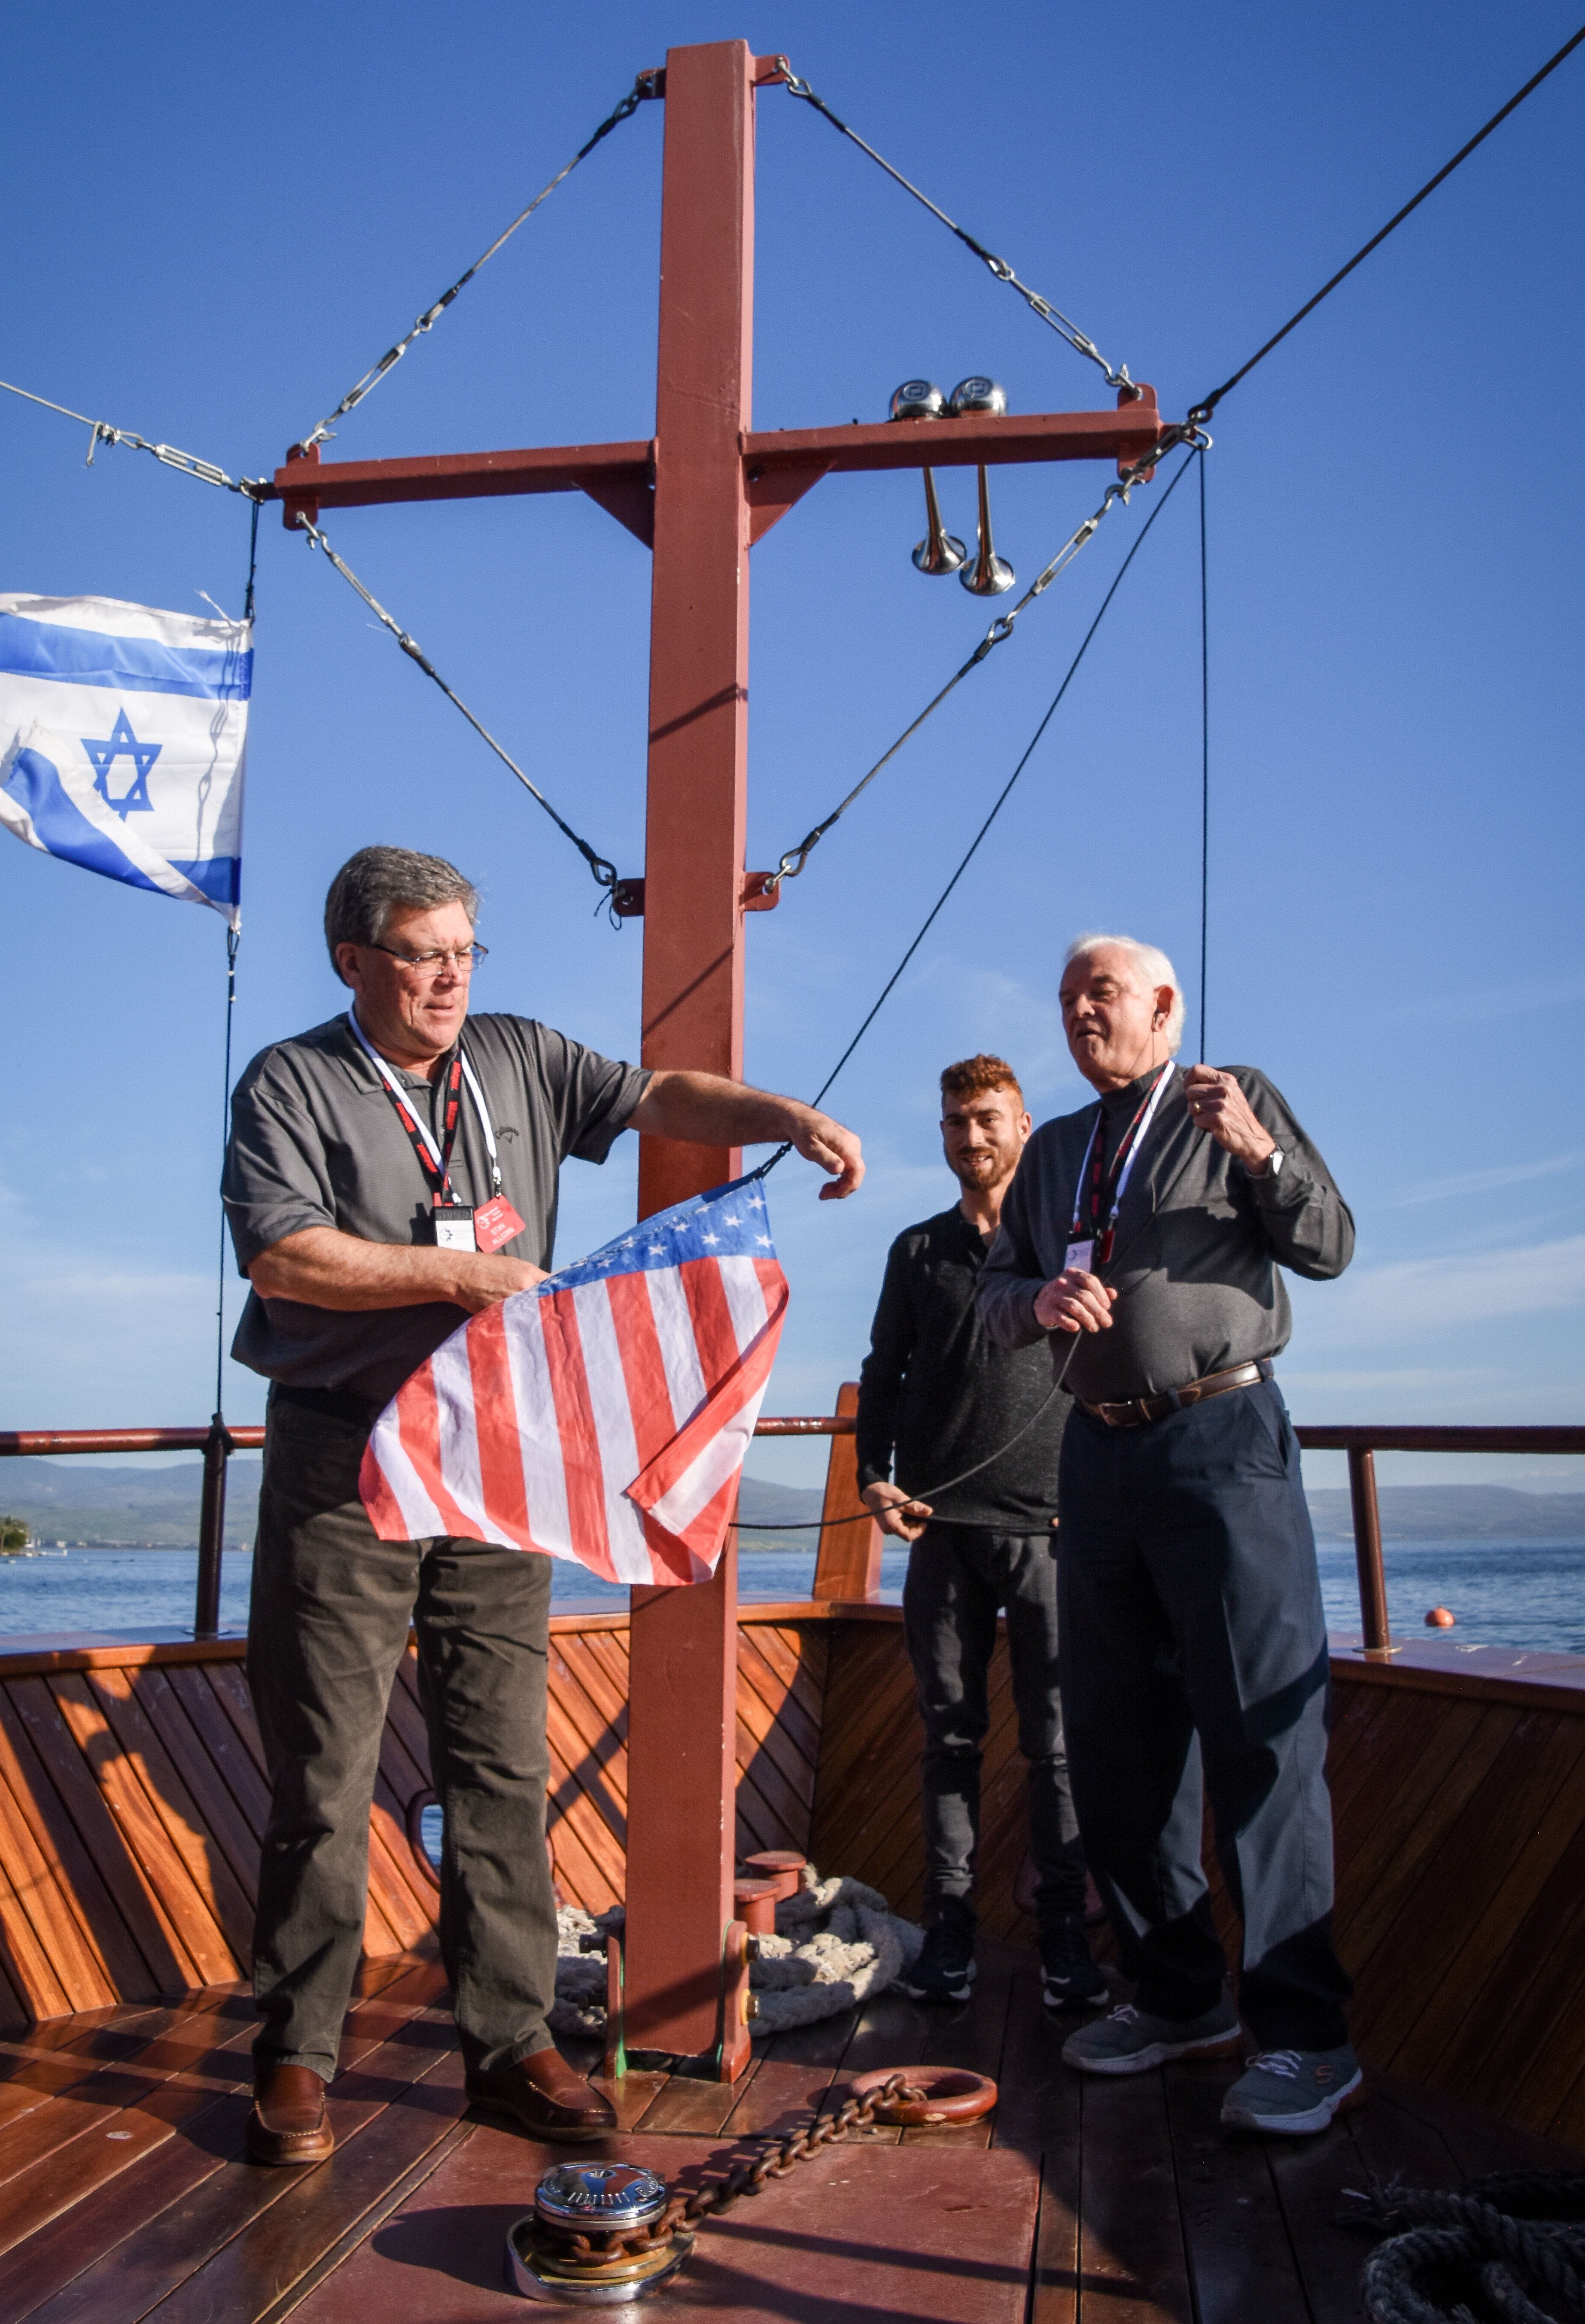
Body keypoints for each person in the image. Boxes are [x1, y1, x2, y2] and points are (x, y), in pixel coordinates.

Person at [223, 845, 863, 2166]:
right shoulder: (293, 1081)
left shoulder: (513, 1053)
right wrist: (452, 1282)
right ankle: (296, 2051)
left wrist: (781, 1118)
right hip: (346, 1463)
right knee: (326, 1775)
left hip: (505, 1460)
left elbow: (657, 1097)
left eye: (465, 948)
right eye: (423, 952)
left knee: (500, 1766)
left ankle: (513, 2045)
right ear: (355, 962)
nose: (451, 973)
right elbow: (284, 1255)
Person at [977, 935, 1360, 2138]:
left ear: (1164, 1005)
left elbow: (1331, 1245)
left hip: (1219, 1441)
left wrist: (1263, 1151)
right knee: (1117, 1746)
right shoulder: (1049, 1155)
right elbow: (995, 1302)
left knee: (1260, 1739)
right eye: (1067, 1000)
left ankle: (1306, 2041)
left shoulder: (1230, 1104)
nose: (1082, 1013)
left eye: (1103, 994)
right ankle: (1182, 2002)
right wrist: (1036, 1301)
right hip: (1094, 1456)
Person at [857, 1055, 1101, 2014]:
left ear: (1023, 1126)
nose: (971, 1137)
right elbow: (883, 1372)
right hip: (940, 1527)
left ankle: (1064, 1945)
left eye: (988, 1120)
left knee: (1056, 1748)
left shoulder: (1069, 1250)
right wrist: (874, 1479)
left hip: (1051, 1524)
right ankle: (948, 1938)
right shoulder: (916, 1252)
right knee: (948, 1741)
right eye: (956, 1122)